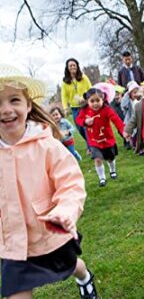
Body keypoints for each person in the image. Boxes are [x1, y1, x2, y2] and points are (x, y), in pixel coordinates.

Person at [0, 64, 97, 298]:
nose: (5, 110)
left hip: (49, 232)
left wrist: (65, 211)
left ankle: (84, 277)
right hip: (12, 242)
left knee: (72, 265)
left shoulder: (47, 145)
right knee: (16, 292)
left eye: (14, 100)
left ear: (28, 105)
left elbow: (70, 184)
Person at [76, 83, 125, 187]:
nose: (95, 104)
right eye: (92, 101)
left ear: (103, 100)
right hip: (94, 141)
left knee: (110, 158)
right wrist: (85, 121)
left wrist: (123, 130)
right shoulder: (84, 111)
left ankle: (112, 170)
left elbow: (116, 120)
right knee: (97, 159)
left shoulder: (107, 110)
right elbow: (78, 120)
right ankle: (102, 178)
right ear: (87, 101)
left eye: (98, 100)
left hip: (107, 140)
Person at [61, 58, 92, 146]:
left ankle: (91, 146)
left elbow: (90, 89)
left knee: (87, 127)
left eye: (74, 65)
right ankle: (90, 143)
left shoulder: (83, 77)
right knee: (80, 128)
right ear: (67, 68)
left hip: (86, 105)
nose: (72, 67)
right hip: (75, 108)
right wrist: (65, 108)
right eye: (70, 66)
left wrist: (84, 97)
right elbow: (64, 96)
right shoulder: (64, 82)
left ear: (77, 66)